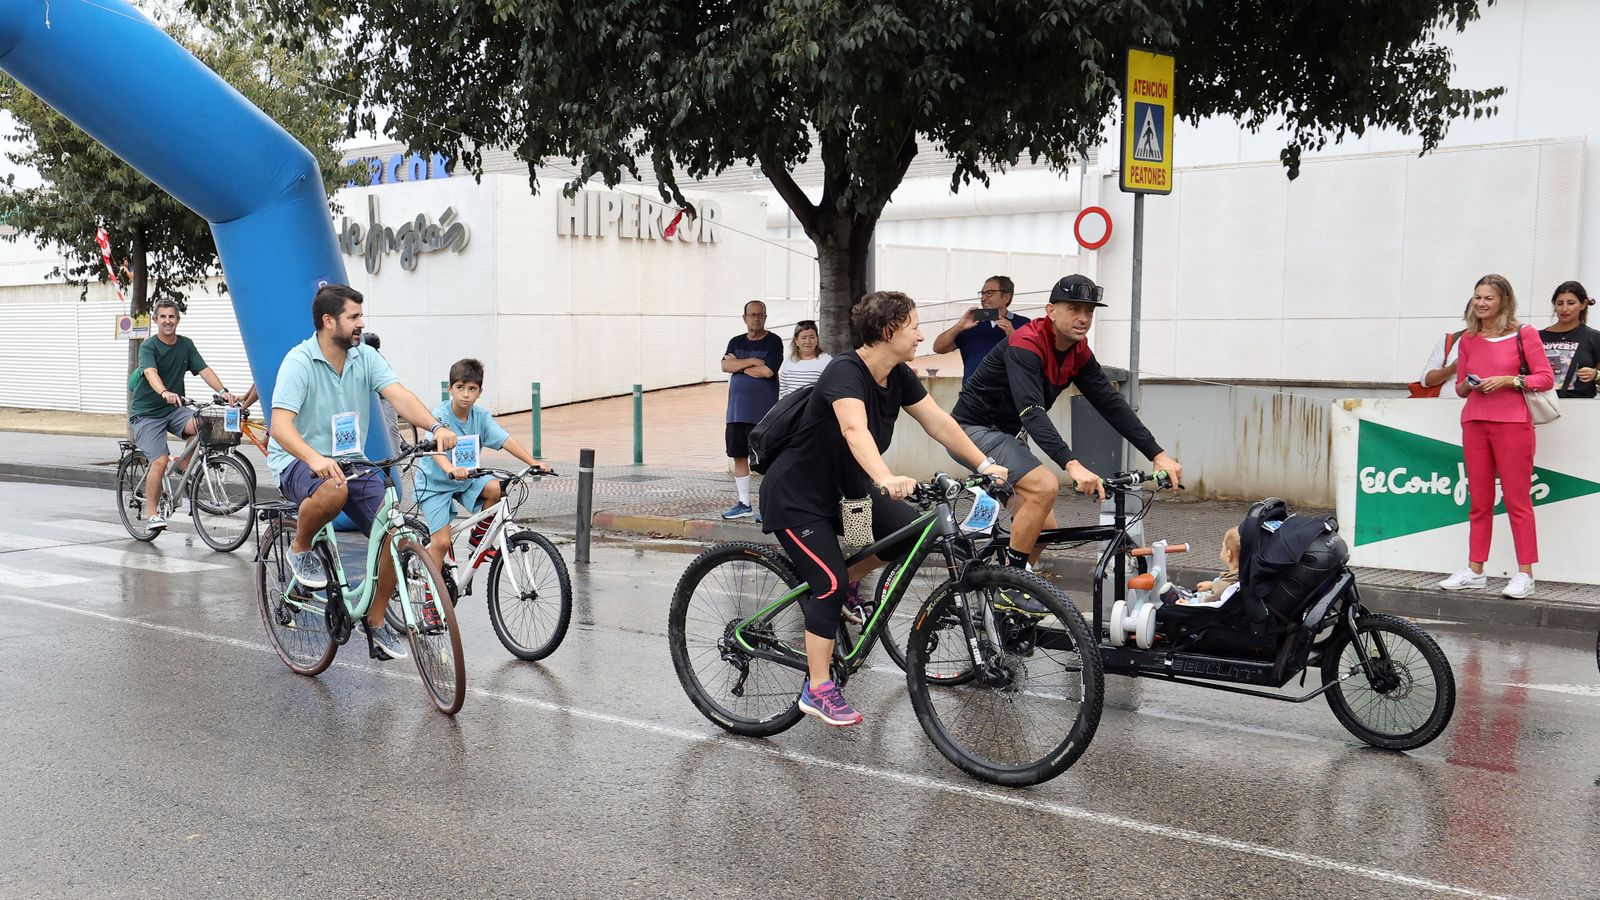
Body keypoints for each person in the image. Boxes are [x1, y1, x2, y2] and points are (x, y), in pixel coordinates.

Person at [760, 290, 1009, 727]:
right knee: (829, 583)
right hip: (798, 496)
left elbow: (939, 422)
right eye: (914, 326)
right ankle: (818, 688)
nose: (921, 335)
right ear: (890, 331)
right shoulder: (844, 371)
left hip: (847, 494)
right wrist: (885, 477)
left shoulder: (898, 375)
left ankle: (844, 589)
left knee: (912, 534)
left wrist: (984, 464)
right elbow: (853, 429)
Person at [950, 274, 1182, 614]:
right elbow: (1031, 412)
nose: (1083, 318)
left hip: (1005, 436)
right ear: (1051, 311)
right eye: (1074, 309)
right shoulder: (1026, 343)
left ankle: (1000, 588)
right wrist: (1071, 464)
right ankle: (1009, 587)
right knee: (1044, 487)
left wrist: (1157, 454)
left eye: (1089, 311)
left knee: (1044, 527)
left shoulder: (1077, 352)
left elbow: (1110, 404)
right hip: (971, 430)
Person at [266, 283, 458, 661]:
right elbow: (280, 426)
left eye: (361, 316)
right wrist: (314, 458)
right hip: (298, 460)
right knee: (333, 489)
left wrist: (436, 427)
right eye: (353, 316)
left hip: (352, 460)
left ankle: (375, 619)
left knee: (392, 530)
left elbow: (398, 394)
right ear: (328, 321)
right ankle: (300, 548)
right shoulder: (299, 362)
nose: (361, 323)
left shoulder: (364, 357)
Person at [1438, 274, 1554, 599]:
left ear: (1503, 300)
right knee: (1479, 501)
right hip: (1475, 421)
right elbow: (1460, 387)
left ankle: (1525, 574)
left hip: (1513, 423)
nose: (1481, 303)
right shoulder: (1469, 338)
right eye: (1477, 297)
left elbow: (1545, 378)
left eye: (1488, 297)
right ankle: (1475, 570)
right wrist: (1469, 384)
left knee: (1518, 501)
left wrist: (1507, 380)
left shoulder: (1524, 334)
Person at [415, 358, 551, 575]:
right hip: (435, 484)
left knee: (496, 487)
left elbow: (506, 440)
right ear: (450, 389)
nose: (466, 394)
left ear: (480, 392)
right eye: (460, 387)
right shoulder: (439, 416)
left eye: (472, 389)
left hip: (466, 479)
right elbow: (436, 451)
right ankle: (430, 590)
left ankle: (478, 540)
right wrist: (450, 469)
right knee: (441, 542)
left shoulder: (481, 417)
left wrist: (533, 463)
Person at [129, 298, 239, 532]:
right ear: (156, 320)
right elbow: (150, 372)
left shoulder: (185, 344)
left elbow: (204, 369)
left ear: (178, 320)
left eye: (172, 316)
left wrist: (223, 391)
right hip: (147, 414)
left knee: (204, 424)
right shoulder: (149, 346)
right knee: (159, 461)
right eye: (163, 317)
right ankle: (152, 514)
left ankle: (183, 465)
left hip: (174, 410)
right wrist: (164, 392)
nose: (167, 321)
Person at [720, 300, 783, 520]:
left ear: (765, 317)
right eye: (752, 314)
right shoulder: (735, 341)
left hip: (763, 414)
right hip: (736, 413)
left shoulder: (773, 341)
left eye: (760, 314)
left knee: (767, 460)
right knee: (739, 456)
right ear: (744, 318)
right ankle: (744, 504)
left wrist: (739, 365)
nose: (756, 318)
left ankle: (768, 507)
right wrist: (754, 361)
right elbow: (725, 366)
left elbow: (767, 372)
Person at [932, 275, 1032, 381]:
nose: (983, 298)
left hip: (1009, 390)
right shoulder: (971, 322)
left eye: (989, 293)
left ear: (1006, 297)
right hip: (972, 390)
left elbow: (1031, 360)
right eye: (982, 293)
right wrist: (959, 326)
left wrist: (1013, 336)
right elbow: (938, 348)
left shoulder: (1024, 324)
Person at [1538, 280, 1600, 399]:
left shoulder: (1594, 337)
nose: (1564, 309)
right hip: (1543, 403)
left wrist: (1595, 374)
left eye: (1571, 303)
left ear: (1583, 305)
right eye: (1560, 303)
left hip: (1581, 405)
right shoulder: (1537, 337)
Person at [1413, 300, 1472, 397]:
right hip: (1445, 404)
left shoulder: (1498, 342)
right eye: (1473, 313)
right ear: (1466, 315)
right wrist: (1452, 369)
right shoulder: (1451, 340)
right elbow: (1426, 380)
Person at [777, 320, 832, 398]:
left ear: (817, 339)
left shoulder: (827, 361)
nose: (808, 341)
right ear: (796, 341)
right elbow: (783, 392)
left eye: (812, 337)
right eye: (803, 338)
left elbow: (831, 390)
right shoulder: (789, 361)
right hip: (791, 405)